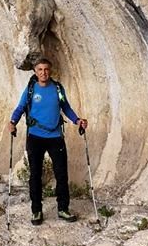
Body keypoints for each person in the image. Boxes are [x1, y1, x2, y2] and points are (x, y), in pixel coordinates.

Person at [9, 57, 88, 225]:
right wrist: (12, 122)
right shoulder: (31, 89)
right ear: (35, 72)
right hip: (35, 137)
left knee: (61, 174)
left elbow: (65, 107)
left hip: (55, 137)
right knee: (35, 175)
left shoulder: (58, 88)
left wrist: (77, 120)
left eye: (46, 69)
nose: (43, 72)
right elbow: (20, 107)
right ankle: (36, 211)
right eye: (40, 70)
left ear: (49, 70)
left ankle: (63, 209)